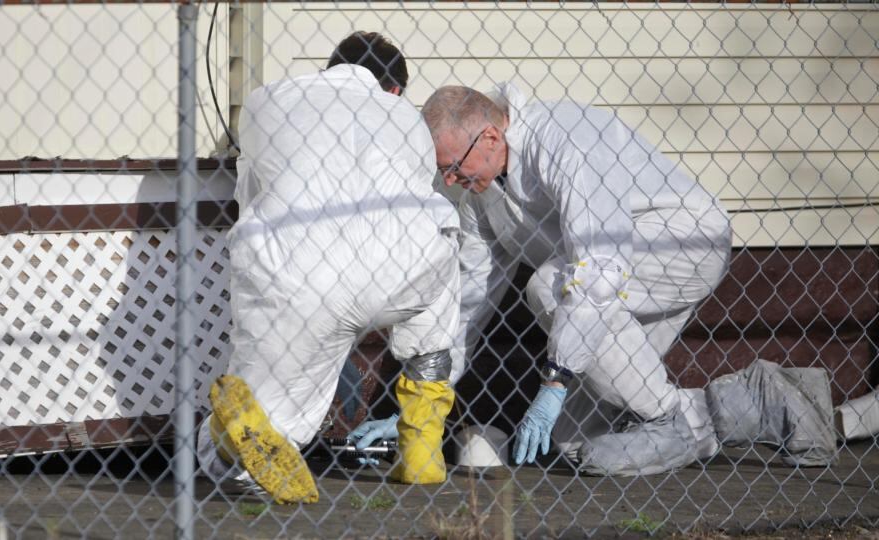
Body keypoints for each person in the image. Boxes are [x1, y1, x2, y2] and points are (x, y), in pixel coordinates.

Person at [352, 82, 734, 476]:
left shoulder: (564, 138)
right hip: (607, 281)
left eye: (453, 167)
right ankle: (723, 416)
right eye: (441, 170)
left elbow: (600, 262)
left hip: (683, 242)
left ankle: (674, 419)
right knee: (574, 440)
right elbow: (468, 306)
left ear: (490, 136)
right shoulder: (480, 198)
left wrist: (553, 385)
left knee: (549, 285)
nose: (448, 181)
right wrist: (416, 410)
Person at [196, 32, 462, 504]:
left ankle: (227, 437)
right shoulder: (408, 120)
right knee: (438, 241)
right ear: (394, 90)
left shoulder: (265, 102)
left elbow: (250, 195)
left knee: (262, 431)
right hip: (405, 268)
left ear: (330, 66)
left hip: (304, 272)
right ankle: (422, 453)